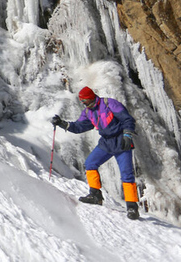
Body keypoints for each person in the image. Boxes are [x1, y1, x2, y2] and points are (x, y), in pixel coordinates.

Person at [52, 86, 140, 220]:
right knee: (90, 163)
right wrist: (62, 123)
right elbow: (79, 127)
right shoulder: (88, 112)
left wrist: (127, 134)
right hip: (106, 143)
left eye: (85, 100)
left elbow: (127, 119)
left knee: (126, 174)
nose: (83, 103)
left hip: (121, 141)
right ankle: (95, 195)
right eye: (82, 101)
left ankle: (132, 207)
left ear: (90, 97)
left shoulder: (109, 104)